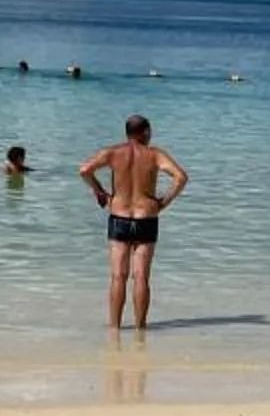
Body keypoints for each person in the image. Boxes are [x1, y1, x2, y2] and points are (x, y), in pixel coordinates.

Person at [79, 113, 188, 331]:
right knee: (141, 277)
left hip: (119, 217)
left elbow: (84, 170)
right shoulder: (154, 154)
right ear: (145, 132)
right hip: (146, 218)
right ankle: (140, 329)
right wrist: (162, 203)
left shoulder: (112, 153)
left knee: (118, 276)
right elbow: (181, 177)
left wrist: (100, 192)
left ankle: (115, 329)